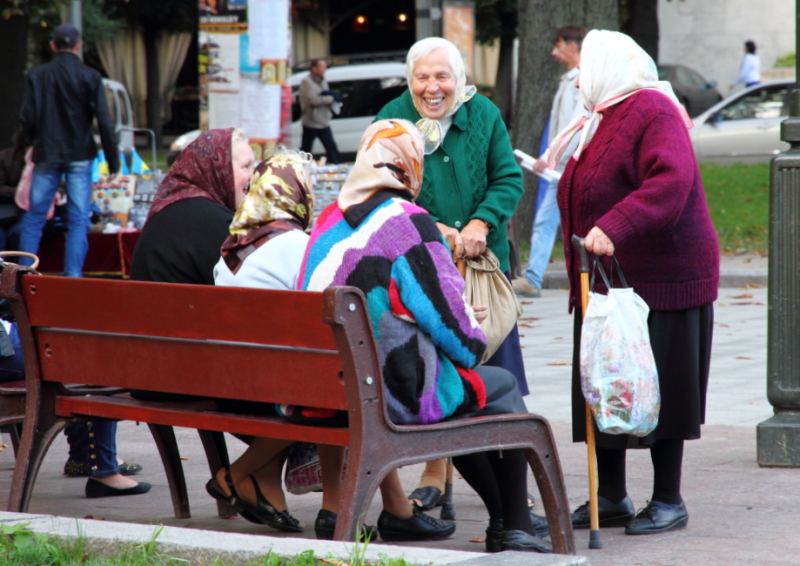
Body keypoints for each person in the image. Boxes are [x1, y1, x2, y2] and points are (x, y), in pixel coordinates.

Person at [299, 119, 551, 553]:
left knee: (468, 394)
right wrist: (466, 322)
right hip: (389, 393)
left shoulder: (329, 220)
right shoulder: (408, 221)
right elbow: (463, 342)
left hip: (325, 391)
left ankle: (509, 521)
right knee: (496, 386)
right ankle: (514, 523)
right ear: (409, 164)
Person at [211, 149, 452, 542]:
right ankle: (241, 475)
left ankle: (352, 509)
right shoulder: (294, 244)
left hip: (234, 382)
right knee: (346, 383)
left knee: (336, 379)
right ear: (297, 194)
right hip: (281, 388)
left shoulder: (229, 252)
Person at [546, 30, 719, 535]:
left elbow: (671, 179)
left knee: (662, 385)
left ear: (609, 67)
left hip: (664, 278)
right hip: (603, 282)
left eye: (586, 68)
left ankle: (669, 499)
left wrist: (612, 226)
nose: (579, 78)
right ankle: (612, 497)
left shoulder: (651, 109)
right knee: (606, 385)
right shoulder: (600, 118)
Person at [375, 36, 530, 512]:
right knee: (440, 374)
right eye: (422, 76)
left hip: (481, 269)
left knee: (495, 378)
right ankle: (436, 470)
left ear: (458, 79)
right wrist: (431, 228)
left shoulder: (481, 114)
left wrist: (482, 221)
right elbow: (384, 187)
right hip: (424, 275)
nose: (432, 87)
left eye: (442, 76)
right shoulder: (392, 118)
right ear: (409, 79)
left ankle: (507, 489)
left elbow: (508, 177)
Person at [17, 24, 119, 277]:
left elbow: (27, 116)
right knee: (78, 220)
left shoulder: (37, 74)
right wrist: (113, 161)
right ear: (78, 45)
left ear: (53, 45)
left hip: (47, 152)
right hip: (79, 154)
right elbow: (104, 122)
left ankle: (21, 276)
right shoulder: (90, 76)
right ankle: (72, 277)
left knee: (34, 218)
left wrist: (31, 142)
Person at [513, 25, 587, 299]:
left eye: (558, 46)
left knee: (553, 221)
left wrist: (549, 157)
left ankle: (534, 278)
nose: (553, 53)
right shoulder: (571, 80)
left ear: (572, 46)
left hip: (570, 167)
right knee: (550, 220)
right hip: (565, 166)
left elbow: (576, 125)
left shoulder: (580, 80)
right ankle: (534, 277)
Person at [130, 128, 255, 285]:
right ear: (220, 169)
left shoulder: (176, 203)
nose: (254, 175)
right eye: (246, 166)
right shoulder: (209, 219)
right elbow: (247, 285)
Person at [299, 59, 342, 164]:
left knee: (331, 147)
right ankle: (301, 168)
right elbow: (312, 100)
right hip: (311, 121)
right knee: (306, 149)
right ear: (314, 69)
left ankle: (338, 166)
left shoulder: (322, 80)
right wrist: (331, 98)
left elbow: (323, 94)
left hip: (323, 120)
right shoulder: (306, 82)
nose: (324, 69)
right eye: (322, 67)